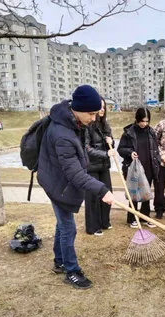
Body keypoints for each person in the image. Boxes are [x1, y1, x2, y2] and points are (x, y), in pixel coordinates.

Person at [37, 85, 114, 290]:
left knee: (62, 224)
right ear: (78, 108)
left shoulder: (72, 121)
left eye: (96, 113)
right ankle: (71, 270)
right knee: (68, 227)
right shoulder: (62, 133)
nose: (93, 118)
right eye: (91, 113)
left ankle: (59, 261)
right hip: (56, 183)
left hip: (59, 179)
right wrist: (103, 190)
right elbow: (75, 174)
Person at [118, 107, 160, 228]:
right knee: (134, 192)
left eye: (147, 121)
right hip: (133, 168)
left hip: (149, 166)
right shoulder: (128, 133)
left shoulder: (151, 132)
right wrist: (130, 152)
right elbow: (120, 149)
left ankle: (145, 217)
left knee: (146, 192)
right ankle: (132, 218)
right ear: (137, 119)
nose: (144, 124)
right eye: (142, 121)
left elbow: (155, 149)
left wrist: (157, 161)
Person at [85, 97, 115, 236]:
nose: (102, 110)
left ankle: (105, 221)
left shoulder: (106, 125)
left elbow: (110, 145)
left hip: (104, 166)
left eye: (104, 107)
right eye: (100, 107)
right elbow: (87, 148)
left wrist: (111, 141)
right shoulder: (88, 126)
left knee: (107, 193)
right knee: (93, 198)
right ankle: (93, 226)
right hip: (91, 167)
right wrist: (105, 153)